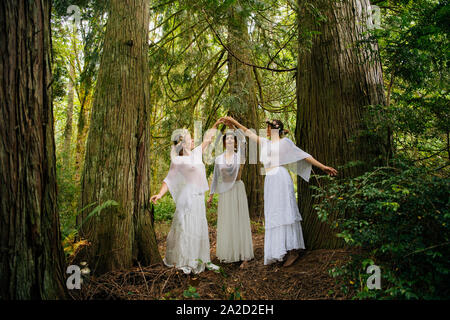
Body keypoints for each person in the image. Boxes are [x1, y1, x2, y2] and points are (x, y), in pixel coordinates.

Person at [221, 116, 338, 267]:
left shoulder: (285, 143)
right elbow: (248, 133)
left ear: (275, 129)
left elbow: (304, 155)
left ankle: (293, 251)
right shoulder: (265, 143)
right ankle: (279, 250)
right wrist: (233, 122)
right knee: (274, 213)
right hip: (270, 180)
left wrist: (323, 167)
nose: (267, 130)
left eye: (269, 127)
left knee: (285, 211)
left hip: (281, 179)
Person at [150, 119, 222, 274]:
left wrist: (216, 124)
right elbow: (169, 179)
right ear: (182, 142)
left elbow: (208, 139)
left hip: (198, 198)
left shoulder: (196, 153)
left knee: (198, 228)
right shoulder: (178, 160)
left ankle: (199, 259)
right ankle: (184, 261)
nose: (192, 140)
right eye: (189, 137)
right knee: (185, 228)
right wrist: (160, 194)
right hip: (187, 197)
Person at [207, 128, 254, 266]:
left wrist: (235, 127)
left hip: (238, 189)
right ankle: (229, 252)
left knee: (239, 220)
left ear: (235, 142)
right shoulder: (219, 159)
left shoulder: (239, 156)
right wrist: (211, 195)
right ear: (223, 142)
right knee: (228, 221)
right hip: (225, 192)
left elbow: (244, 141)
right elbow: (215, 178)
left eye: (232, 138)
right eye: (226, 138)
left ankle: (243, 254)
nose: (229, 140)